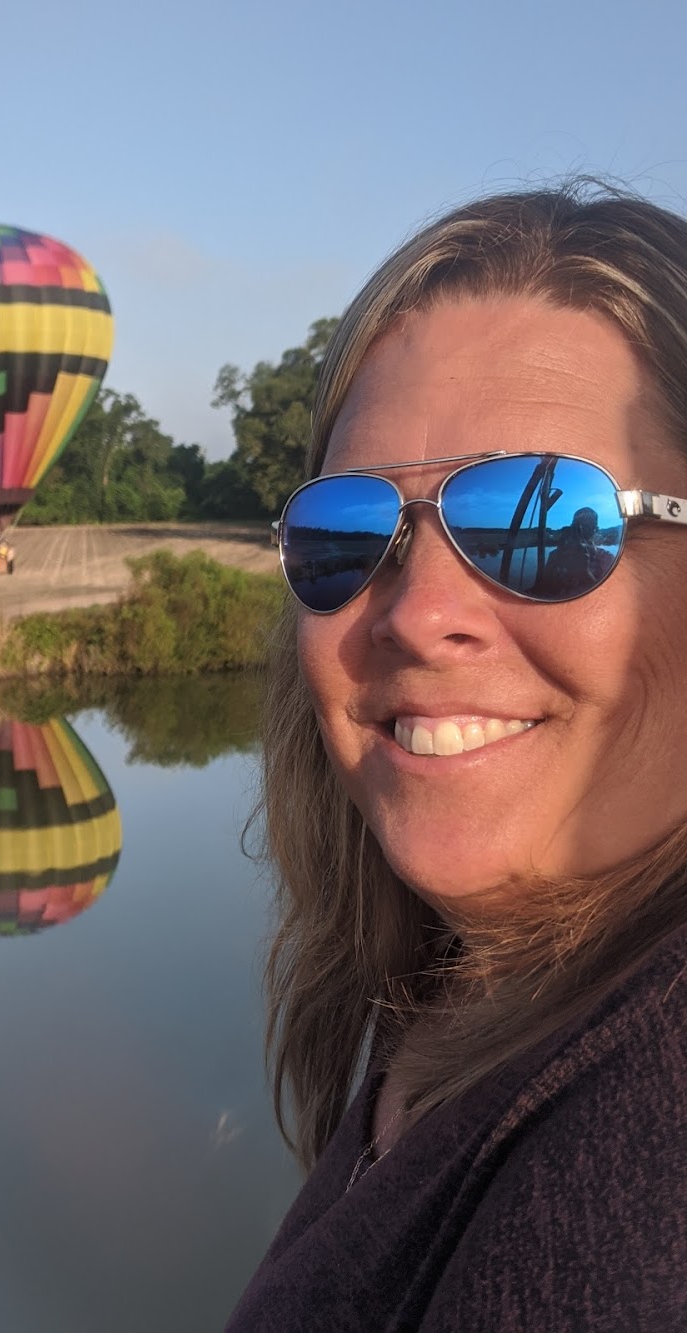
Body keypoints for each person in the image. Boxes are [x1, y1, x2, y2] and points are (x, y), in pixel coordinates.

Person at [227, 183, 687, 1331]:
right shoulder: (463, 988)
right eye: (348, 533)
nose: (418, 613)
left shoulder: (644, 1177)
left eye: (549, 521)